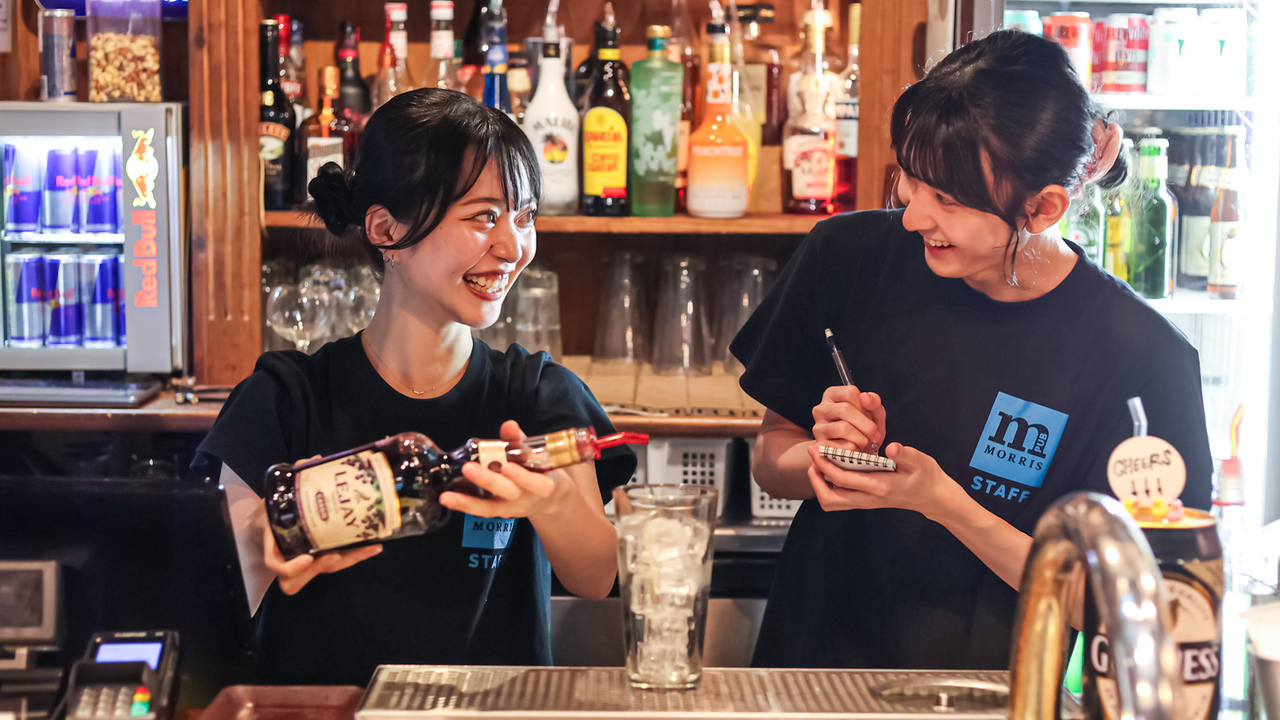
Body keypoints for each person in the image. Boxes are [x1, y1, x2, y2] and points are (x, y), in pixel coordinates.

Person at [730, 30, 1212, 670]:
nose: (911, 216)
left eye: (947, 200)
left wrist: (941, 501)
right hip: (806, 676)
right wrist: (820, 460)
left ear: (1041, 209)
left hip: (986, 694)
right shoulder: (846, 257)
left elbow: (1126, 610)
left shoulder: (1142, 360)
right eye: (909, 178)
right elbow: (771, 454)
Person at [193, 89, 636, 686]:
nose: (513, 247)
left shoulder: (536, 394)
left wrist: (551, 503)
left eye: (524, 216)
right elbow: (212, 607)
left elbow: (597, 577)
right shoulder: (286, 399)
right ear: (385, 229)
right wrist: (259, 542)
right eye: (484, 215)